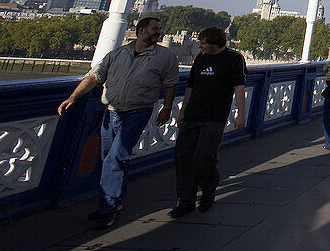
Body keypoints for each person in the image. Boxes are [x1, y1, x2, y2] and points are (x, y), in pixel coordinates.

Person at [57, 16, 179, 229]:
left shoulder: (165, 56)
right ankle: (116, 199)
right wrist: (73, 97)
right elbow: (94, 77)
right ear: (141, 30)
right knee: (108, 157)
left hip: (138, 112)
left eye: (160, 29)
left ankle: (108, 208)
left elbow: (170, 84)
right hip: (111, 112)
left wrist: (167, 108)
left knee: (116, 157)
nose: (158, 32)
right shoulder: (118, 53)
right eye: (154, 29)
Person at [169, 27, 247, 218]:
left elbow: (238, 87)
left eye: (203, 43)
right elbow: (191, 86)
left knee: (205, 156)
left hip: (215, 116)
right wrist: (183, 111)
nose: (200, 46)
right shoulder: (201, 59)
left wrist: (241, 113)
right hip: (192, 115)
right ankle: (185, 200)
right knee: (183, 156)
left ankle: (208, 190)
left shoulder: (234, 59)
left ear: (214, 44)